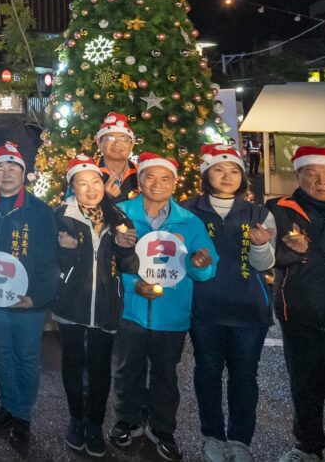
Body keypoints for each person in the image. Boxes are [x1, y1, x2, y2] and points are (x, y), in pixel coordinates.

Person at [110, 153, 218, 462]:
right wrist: (133, 286)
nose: (158, 184)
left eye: (165, 178)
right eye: (150, 177)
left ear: (174, 183)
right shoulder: (121, 214)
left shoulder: (189, 221)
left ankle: (162, 427)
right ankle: (127, 419)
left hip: (171, 314)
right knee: (127, 370)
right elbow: (107, 264)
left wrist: (201, 264)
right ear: (140, 181)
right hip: (130, 309)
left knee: (165, 375)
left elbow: (206, 269)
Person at [182, 144, 275, 462]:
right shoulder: (188, 210)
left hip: (249, 309)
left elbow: (264, 265)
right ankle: (213, 436)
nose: (226, 176)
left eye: (234, 170)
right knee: (207, 370)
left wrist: (261, 245)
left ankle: (240, 440)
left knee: (245, 375)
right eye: (219, 170)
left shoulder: (258, 213)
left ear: (242, 177)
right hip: (204, 307)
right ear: (206, 174)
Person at [0, 141, 59, 446]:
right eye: (0, 167)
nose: (6, 173)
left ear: (23, 172)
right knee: (1, 354)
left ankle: (22, 415)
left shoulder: (39, 211)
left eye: (13, 167)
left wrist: (36, 297)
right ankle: (8, 405)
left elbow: (50, 261)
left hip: (28, 301)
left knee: (26, 356)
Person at [53, 155, 138, 457]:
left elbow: (129, 266)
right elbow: (51, 263)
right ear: (72, 186)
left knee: (101, 368)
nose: (90, 189)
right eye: (82, 183)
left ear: (103, 185)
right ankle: (76, 419)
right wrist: (64, 252)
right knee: (73, 364)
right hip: (70, 304)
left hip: (106, 304)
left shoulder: (118, 217)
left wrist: (127, 250)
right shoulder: (60, 215)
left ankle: (95, 424)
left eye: (95, 183)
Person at [270, 146, 325, 462]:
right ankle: (310, 446)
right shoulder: (278, 210)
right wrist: (294, 252)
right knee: (306, 383)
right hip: (301, 312)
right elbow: (264, 258)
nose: (321, 181)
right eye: (312, 173)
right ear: (298, 175)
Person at [95, 112, 139, 201]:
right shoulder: (86, 172)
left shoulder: (142, 173)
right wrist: (103, 197)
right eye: (110, 138)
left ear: (132, 144)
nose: (117, 143)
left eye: (123, 139)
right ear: (99, 143)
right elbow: (71, 210)